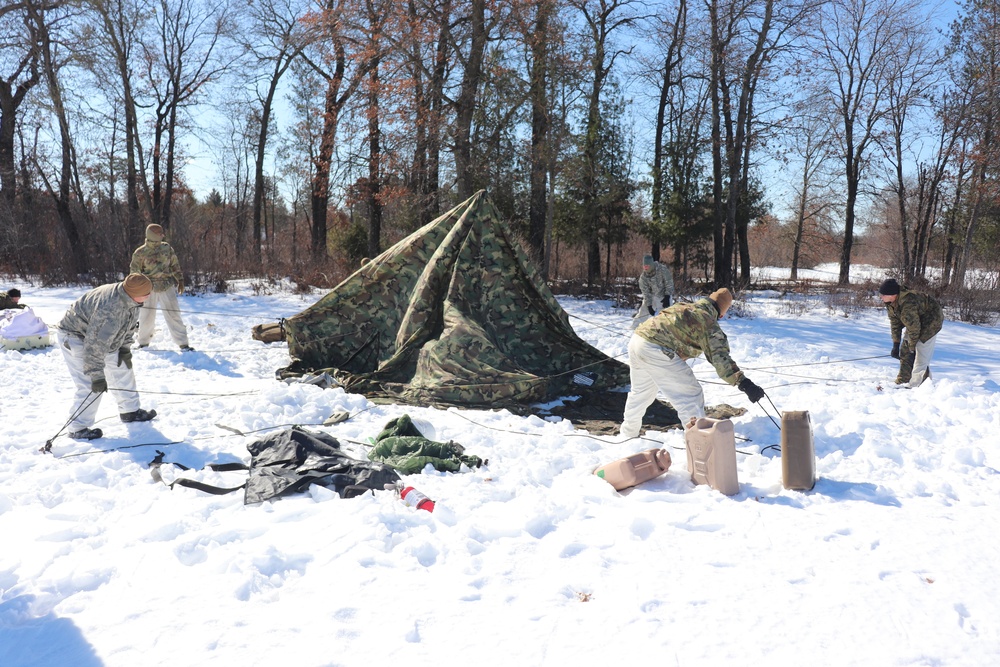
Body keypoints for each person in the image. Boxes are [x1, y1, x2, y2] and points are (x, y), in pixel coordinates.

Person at [620, 288, 764, 438]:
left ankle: (628, 434)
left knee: (641, 393)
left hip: (637, 340)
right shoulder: (707, 321)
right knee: (691, 396)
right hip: (657, 349)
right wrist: (744, 383)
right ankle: (699, 441)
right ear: (722, 313)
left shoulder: (683, 306)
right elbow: (720, 358)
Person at [56, 274, 158, 440]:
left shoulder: (131, 295)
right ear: (134, 293)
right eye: (146, 293)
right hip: (76, 335)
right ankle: (77, 428)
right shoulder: (109, 309)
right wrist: (97, 376)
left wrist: (124, 348)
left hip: (102, 336)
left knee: (121, 367)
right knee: (90, 384)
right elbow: (94, 347)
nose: (149, 296)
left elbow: (128, 324)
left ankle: (130, 411)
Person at [129, 223, 193, 351]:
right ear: (152, 235)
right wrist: (135, 289)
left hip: (166, 286)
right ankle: (143, 343)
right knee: (146, 316)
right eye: (159, 233)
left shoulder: (167, 248)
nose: (162, 235)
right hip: (148, 289)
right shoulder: (140, 253)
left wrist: (180, 279)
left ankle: (183, 343)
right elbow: (134, 273)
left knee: (174, 315)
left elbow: (174, 265)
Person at [878, 278, 942, 387]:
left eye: (883, 295)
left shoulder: (908, 303)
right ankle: (904, 379)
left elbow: (914, 329)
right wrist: (896, 344)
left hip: (931, 322)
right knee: (905, 350)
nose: (880, 297)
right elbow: (895, 323)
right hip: (916, 320)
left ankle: (918, 384)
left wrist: (912, 348)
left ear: (892, 295)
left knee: (921, 353)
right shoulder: (890, 303)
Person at [631, 254, 675, 329]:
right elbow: (646, 293)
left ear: (651, 265)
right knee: (643, 313)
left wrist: (667, 296)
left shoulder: (662, 269)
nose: (645, 268)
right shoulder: (643, 278)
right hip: (652, 296)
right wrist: (649, 306)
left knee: (666, 315)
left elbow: (669, 283)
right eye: (644, 266)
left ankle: (667, 330)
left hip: (664, 295)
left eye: (647, 266)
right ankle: (634, 329)